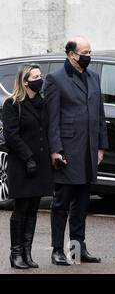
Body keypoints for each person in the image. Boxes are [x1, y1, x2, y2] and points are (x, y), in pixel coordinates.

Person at [45, 37, 108, 265]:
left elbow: (99, 115)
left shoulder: (93, 76)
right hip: (67, 152)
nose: (89, 55)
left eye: (90, 51)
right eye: (85, 52)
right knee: (62, 203)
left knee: (82, 204)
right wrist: (55, 150)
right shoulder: (55, 79)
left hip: (89, 151)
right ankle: (57, 250)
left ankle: (76, 250)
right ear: (71, 54)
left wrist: (101, 146)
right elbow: (51, 120)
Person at [2, 64, 53, 269]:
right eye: (35, 76)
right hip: (22, 164)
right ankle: (16, 254)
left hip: (40, 164)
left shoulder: (43, 103)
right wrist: (28, 157)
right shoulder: (12, 104)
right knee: (21, 209)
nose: (39, 79)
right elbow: (11, 135)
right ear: (25, 81)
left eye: (40, 75)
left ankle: (27, 252)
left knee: (33, 208)